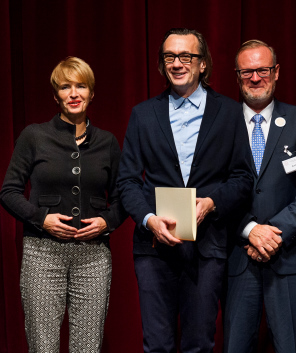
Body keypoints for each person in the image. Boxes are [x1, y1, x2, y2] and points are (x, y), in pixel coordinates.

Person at [116, 28, 253, 353]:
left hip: (207, 248)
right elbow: (128, 182)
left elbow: (243, 179)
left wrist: (211, 202)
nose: (177, 63)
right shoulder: (143, 114)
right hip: (153, 249)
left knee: (199, 344)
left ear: (202, 64)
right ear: (162, 66)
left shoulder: (230, 113)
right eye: (169, 57)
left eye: (186, 56)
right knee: (158, 345)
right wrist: (149, 219)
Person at [0, 56, 127, 352]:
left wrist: (108, 221)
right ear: (55, 95)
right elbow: (9, 192)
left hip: (93, 256)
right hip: (42, 254)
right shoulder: (34, 136)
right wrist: (40, 218)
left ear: (91, 93)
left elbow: (123, 197)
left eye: (81, 86)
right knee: (43, 347)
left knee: (87, 347)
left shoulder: (107, 142)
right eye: (65, 87)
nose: (73, 93)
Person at [224, 40, 296, 353]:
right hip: (237, 256)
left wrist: (273, 235)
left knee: (292, 347)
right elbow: (213, 187)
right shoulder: (220, 124)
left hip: (288, 256)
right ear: (237, 75)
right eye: (247, 72)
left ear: (277, 72)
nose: (255, 78)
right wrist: (250, 229)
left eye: (263, 70)